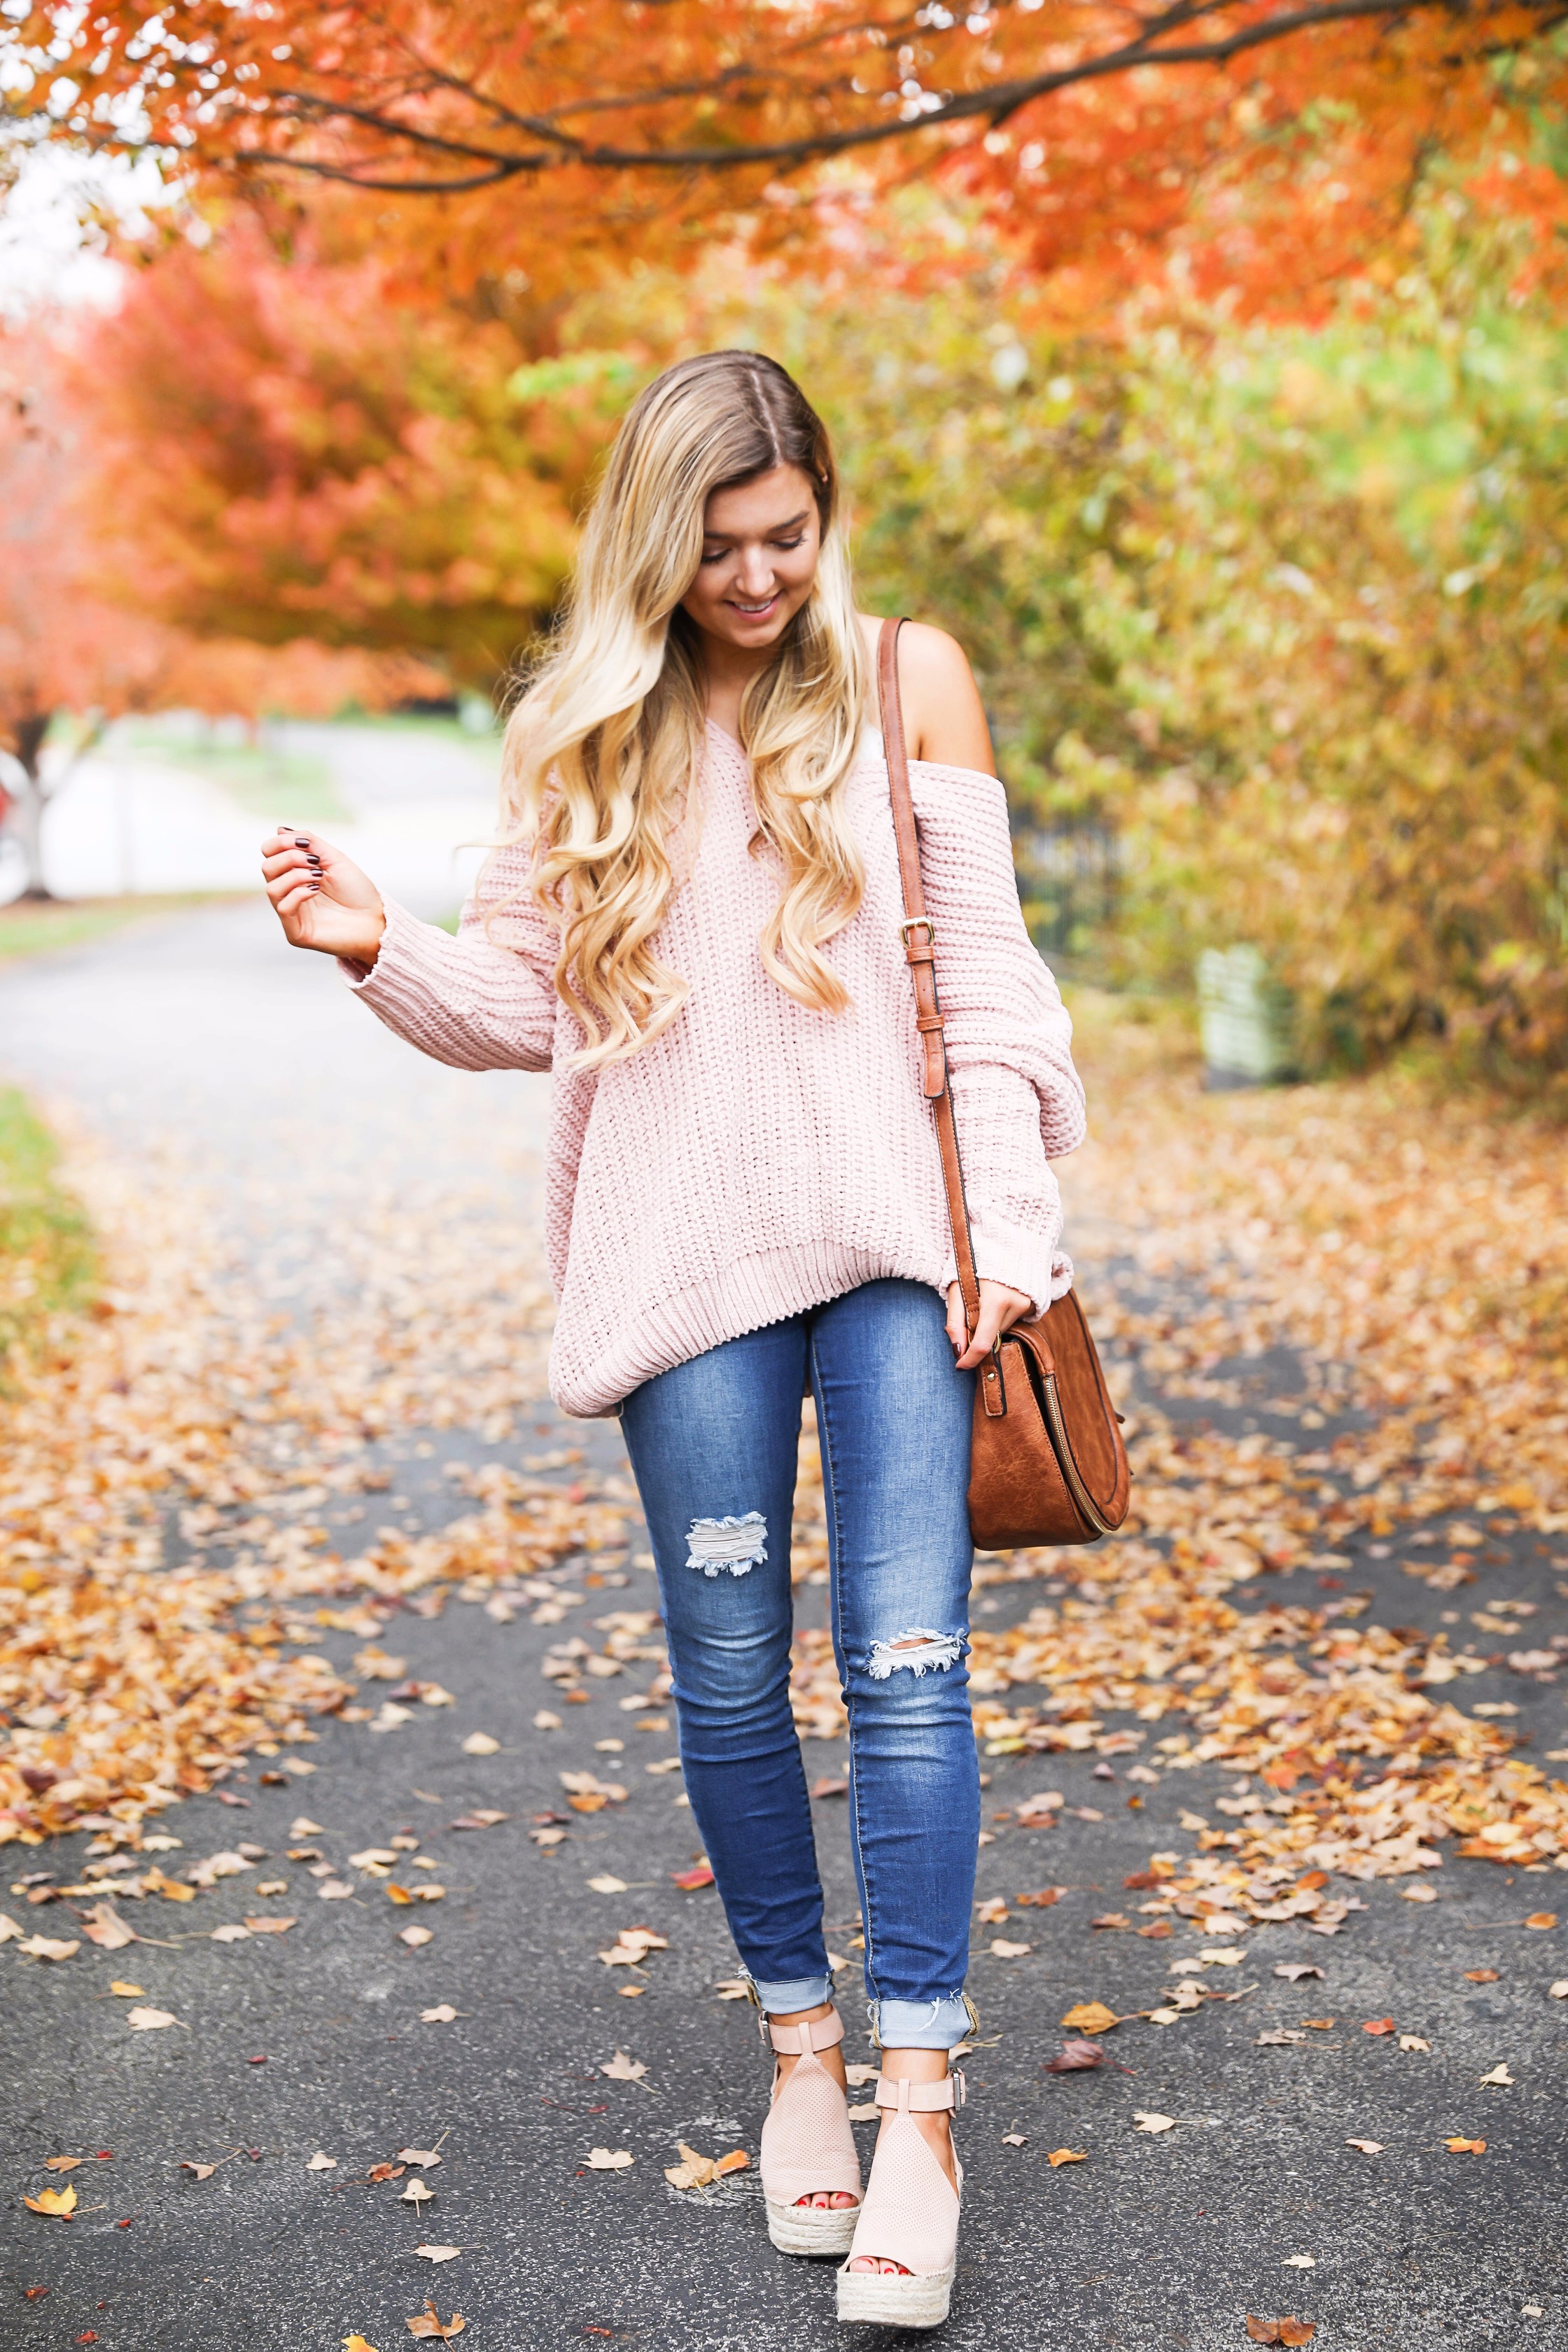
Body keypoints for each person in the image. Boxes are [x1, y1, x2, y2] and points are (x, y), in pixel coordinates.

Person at [260, 350, 1084, 2330]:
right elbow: (526, 1011)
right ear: (658, 539)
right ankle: (801, 2051)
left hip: (899, 1249)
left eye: (789, 536)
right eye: (719, 546)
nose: (759, 576)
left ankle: (922, 2105)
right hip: (681, 1262)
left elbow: (986, 979)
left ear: (825, 517)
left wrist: (1019, 1235)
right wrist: (379, 951)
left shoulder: (906, 679)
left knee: (906, 1664)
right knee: (729, 1676)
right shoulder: (584, 731)